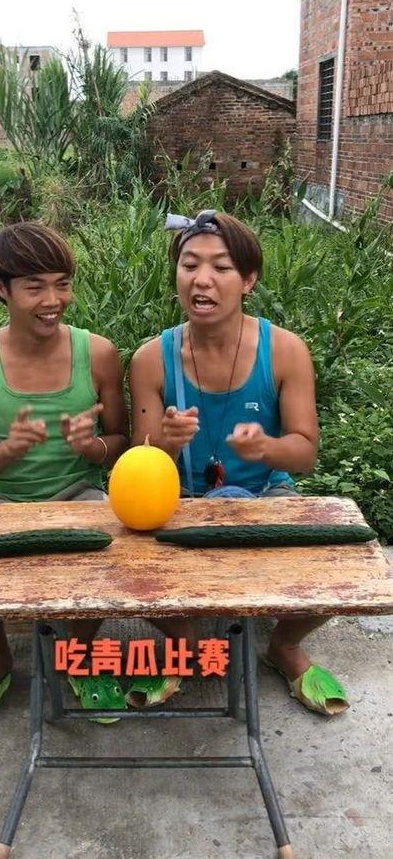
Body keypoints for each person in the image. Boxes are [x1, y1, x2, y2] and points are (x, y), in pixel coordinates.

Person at [129, 209, 349, 717]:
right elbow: (139, 463)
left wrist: (266, 447)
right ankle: (185, 644)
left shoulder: (285, 350)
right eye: (189, 265)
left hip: (267, 495)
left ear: (248, 280)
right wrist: (165, 445)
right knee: (125, 571)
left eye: (221, 267)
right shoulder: (150, 359)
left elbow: (305, 452)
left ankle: (284, 646)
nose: (201, 279)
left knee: (342, 573)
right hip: (180, 501)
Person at [0, 221, 129, 734]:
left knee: (111, 550)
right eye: (35, 287)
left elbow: (122, 442)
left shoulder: (98, 353)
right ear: (1, 289)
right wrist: (9, 449)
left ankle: (79, 654)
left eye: (62, 284)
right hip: (7, 502)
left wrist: (92, 447)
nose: (53, 300)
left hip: (79, 494)